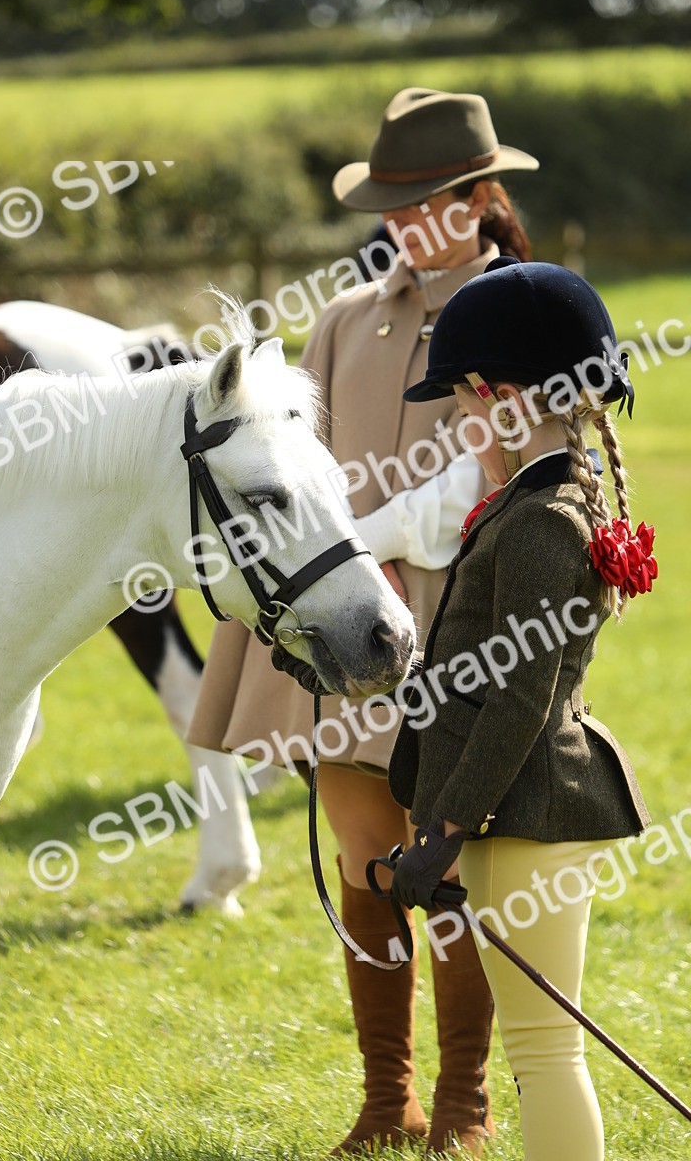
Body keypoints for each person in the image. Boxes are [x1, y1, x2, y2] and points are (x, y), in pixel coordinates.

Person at [188, 87, 539, 1156]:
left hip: (469, 617)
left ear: (479, 199)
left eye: (425, 201)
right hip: (345, 620)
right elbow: (297, 471)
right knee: (365, 860)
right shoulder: (344, 318)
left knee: (449, 865)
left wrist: (363, 539)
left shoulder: (524, 308)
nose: (403, 222)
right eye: (391, 204)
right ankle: (389, 1102)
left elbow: (489, 477)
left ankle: (464, 1103)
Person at [388, 257, 654, 1161]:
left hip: (527, 811)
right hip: (514, 813)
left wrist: (446, 830)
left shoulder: (542, 522)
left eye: (461, 406)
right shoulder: (529, 503)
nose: (460, 426)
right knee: (540, 1051)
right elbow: (475, 673)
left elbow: (517, 702)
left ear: (502, 400)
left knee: (545, 1052)